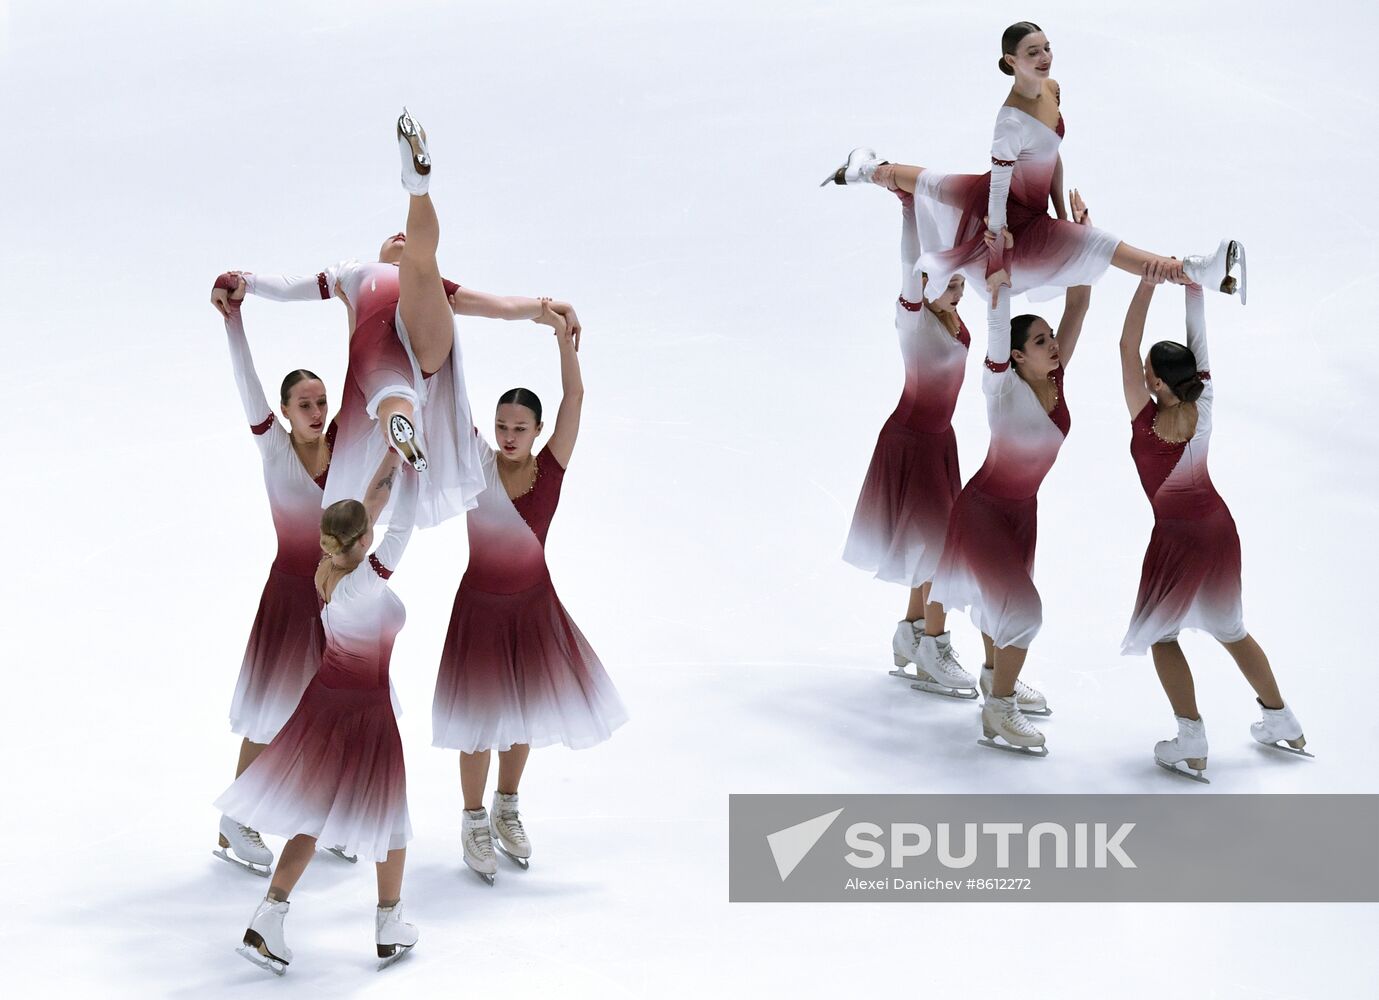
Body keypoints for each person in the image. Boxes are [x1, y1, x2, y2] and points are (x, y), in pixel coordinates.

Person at [212, 108, 581, 529]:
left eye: (403, 236)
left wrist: (543, 309)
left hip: (418, 340)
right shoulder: (353, 273)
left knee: (422, 266)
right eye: (394, 238)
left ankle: (417, 186)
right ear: (379, 249)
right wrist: (246, 281)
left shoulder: (423, 285)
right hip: (380, 351)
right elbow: (294, 285)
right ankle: (399, 427)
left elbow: (495, 305)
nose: (399, 240)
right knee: (392, 392)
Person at [822, 22, 1246, 308]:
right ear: (1010, 61)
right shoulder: (1008, 122)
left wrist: (1062, 211)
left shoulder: (1052, 89)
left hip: (1025, 203)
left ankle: (867, 166)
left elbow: (1051, 152)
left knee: (923, 180)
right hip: (1008, 218)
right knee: (1106, 246)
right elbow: (999, 196)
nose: (1044, 57)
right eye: (1032, 53)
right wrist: (997, 261)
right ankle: (1192, 270)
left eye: (1046, 48)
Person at [431, 317, 627, 884]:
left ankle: (506, 805)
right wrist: (442, 319)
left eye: (519, 426)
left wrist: (563, 343)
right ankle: (472, 818)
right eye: (501, 425)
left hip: (532, 607)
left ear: (539, 431)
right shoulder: (476, 464)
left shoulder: (551, 471)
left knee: (519, 715)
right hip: (480, 608)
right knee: (477, 721)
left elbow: (576, 395)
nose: (508, 435)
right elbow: (450, 389)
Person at [215, 452, 421, 974]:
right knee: (389, 814)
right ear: (361, 540)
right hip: (363, 709)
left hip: (325, 699)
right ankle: (389, 922)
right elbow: (404, 527)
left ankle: (269, 915)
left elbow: (374, 510)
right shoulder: (360, 584)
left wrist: (395, 458)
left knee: (312, 816)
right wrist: (417, 473)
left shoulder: (326, 569)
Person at [1118, 264, 1309, 780]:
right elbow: (1195, 348)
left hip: (1177, 540)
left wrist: (1146, 280)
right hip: (1220, 531)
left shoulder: (1144, 419)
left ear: (1153, 380)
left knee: (1162, 637)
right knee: (1233, 630)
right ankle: (1281, 719)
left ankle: (1191, 738)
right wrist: (1193, 288)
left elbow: (1124, 345)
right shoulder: (1205, 405)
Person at [928, 202, 1096, 755]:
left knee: (1000, 606)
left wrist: (1079, 237)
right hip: (983, 513)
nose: (1053, 346)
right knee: (1024, 613)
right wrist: (998, 276)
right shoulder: (1002, 388)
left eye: (1051, 339)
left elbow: (1079, 300)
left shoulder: (1055, 376)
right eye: (1042, 342)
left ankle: (994, 676)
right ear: (1016, 357)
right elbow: (999, 326)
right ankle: (997, 712)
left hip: (1023, 513)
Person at [206, 289, 334, 876]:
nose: (314, 411)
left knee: (330, 710)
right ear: (285, 412)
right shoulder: (275, 451)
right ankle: (238, 815)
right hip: (288, 595)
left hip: (335, 598)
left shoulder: (347, 449)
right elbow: (246, 381)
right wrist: (235, 323)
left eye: (320, 402)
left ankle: (323, 814)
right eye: (303, 403)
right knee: (271, 711)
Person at [842, 187, 976, 697]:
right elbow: (910, 262)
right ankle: (933, 647)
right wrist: (906, 210)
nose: (960, 286)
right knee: (942, 552)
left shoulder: (951, 312)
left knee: (934, 548)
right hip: (912, 441)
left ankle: (911, 632)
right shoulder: (915, 318)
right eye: (951, 280)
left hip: (940, 442)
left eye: (961, 279)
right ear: (925, 282)